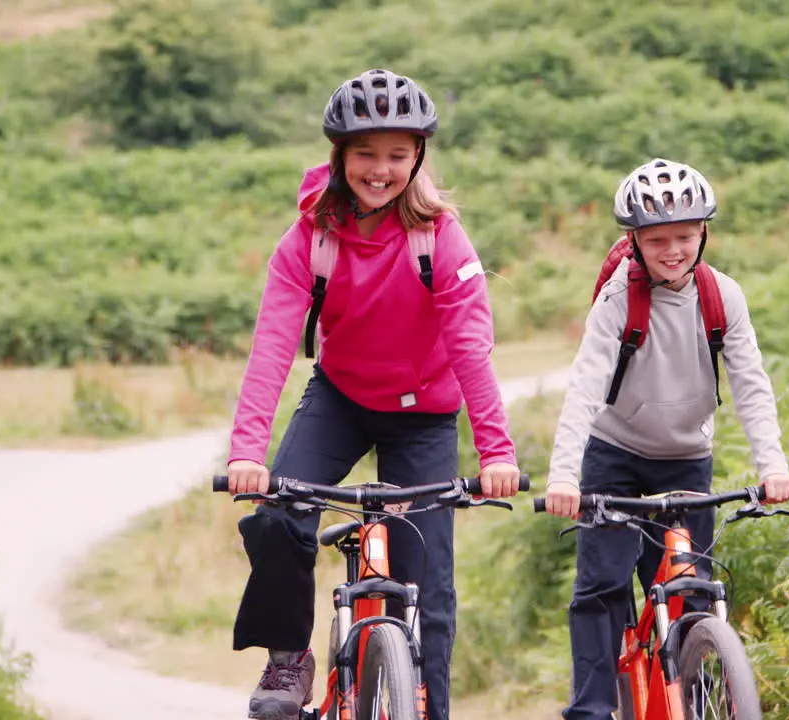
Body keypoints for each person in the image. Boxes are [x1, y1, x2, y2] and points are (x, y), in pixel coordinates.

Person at [224, 68, 523, 720]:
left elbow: (471, 348)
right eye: (365, 154)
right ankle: (288, 658)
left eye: (396, 154)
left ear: (418, 157)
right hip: (342, 399)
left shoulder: (439, 238)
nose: (380, 170)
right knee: (277, 512)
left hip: (426, 417)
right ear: (339, 155)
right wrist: (248, 450)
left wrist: (497, 453)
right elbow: (272, 347)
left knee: (429, 595)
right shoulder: (310, 236)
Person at [543, 158, 789, 720]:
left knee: (690, 594)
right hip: (613, 458)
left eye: (684, 236)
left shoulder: (723, 296)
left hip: (686, 462)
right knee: (603, 589)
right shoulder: (619, 299)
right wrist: (564, 475)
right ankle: (590, 710)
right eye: (657, 239)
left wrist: (772, 466)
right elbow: (585, 386)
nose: (673, 250)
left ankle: (698, 698)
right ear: (633, 241)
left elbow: (752, 386)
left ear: (704, 232)